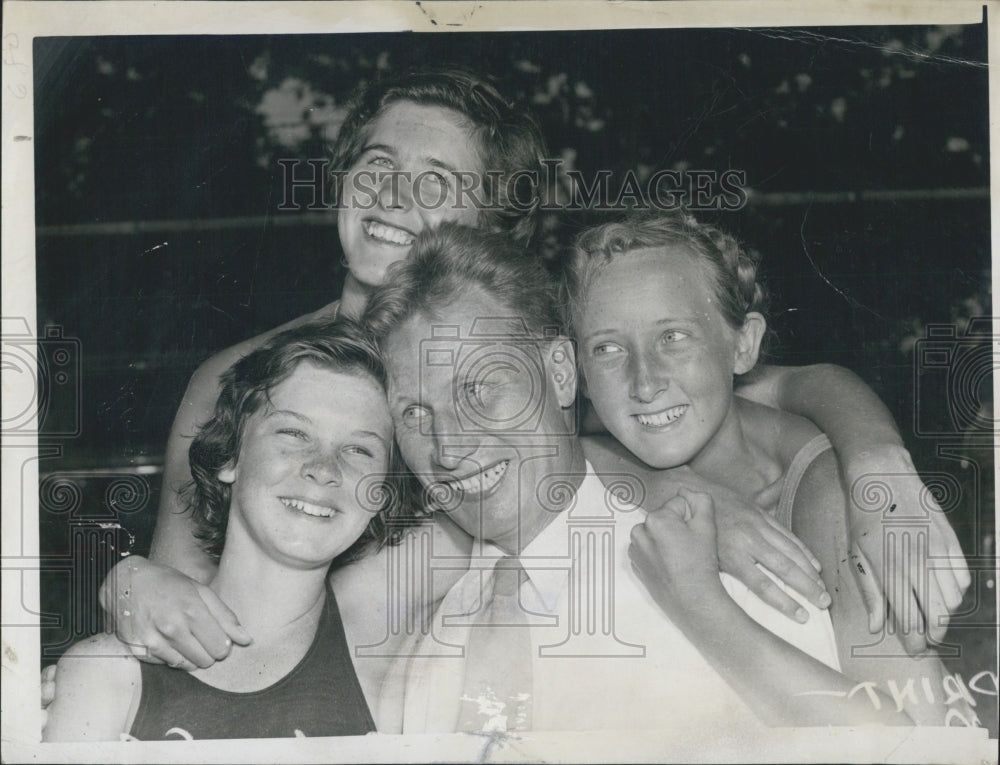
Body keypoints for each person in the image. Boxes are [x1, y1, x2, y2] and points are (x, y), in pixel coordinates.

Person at [42, 67, 966, 712]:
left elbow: (789, 380)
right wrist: (127, 586)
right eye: (378, 168)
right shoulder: (240, 376)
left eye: (440, 184)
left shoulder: (516, 346)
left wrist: (878, 466)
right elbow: (179, 587)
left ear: (491, 227)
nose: (399, 196)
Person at [364, 222, 950, 732]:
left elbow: (910, 744)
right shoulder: (424, 619)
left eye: (482, 385)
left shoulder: (769, 549)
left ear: (560, 374)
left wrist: (879, 463)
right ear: (586, 369)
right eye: (415, 414)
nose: (449, 444)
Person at [561, 209, 978, 726]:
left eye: (674, 336)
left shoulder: (827, 496)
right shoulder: (595, 440)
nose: (644, 381)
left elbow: (924, 745)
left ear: (743, 345)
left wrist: (874, 454)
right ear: (574, 372)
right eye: (607, 348)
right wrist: (664, 484)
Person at [44, 319, 409, 741]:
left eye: (359, 449)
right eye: (293, 432)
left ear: (382, 492)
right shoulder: (107, 672)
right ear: (229, 456)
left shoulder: (395, 669)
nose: (324, 469)